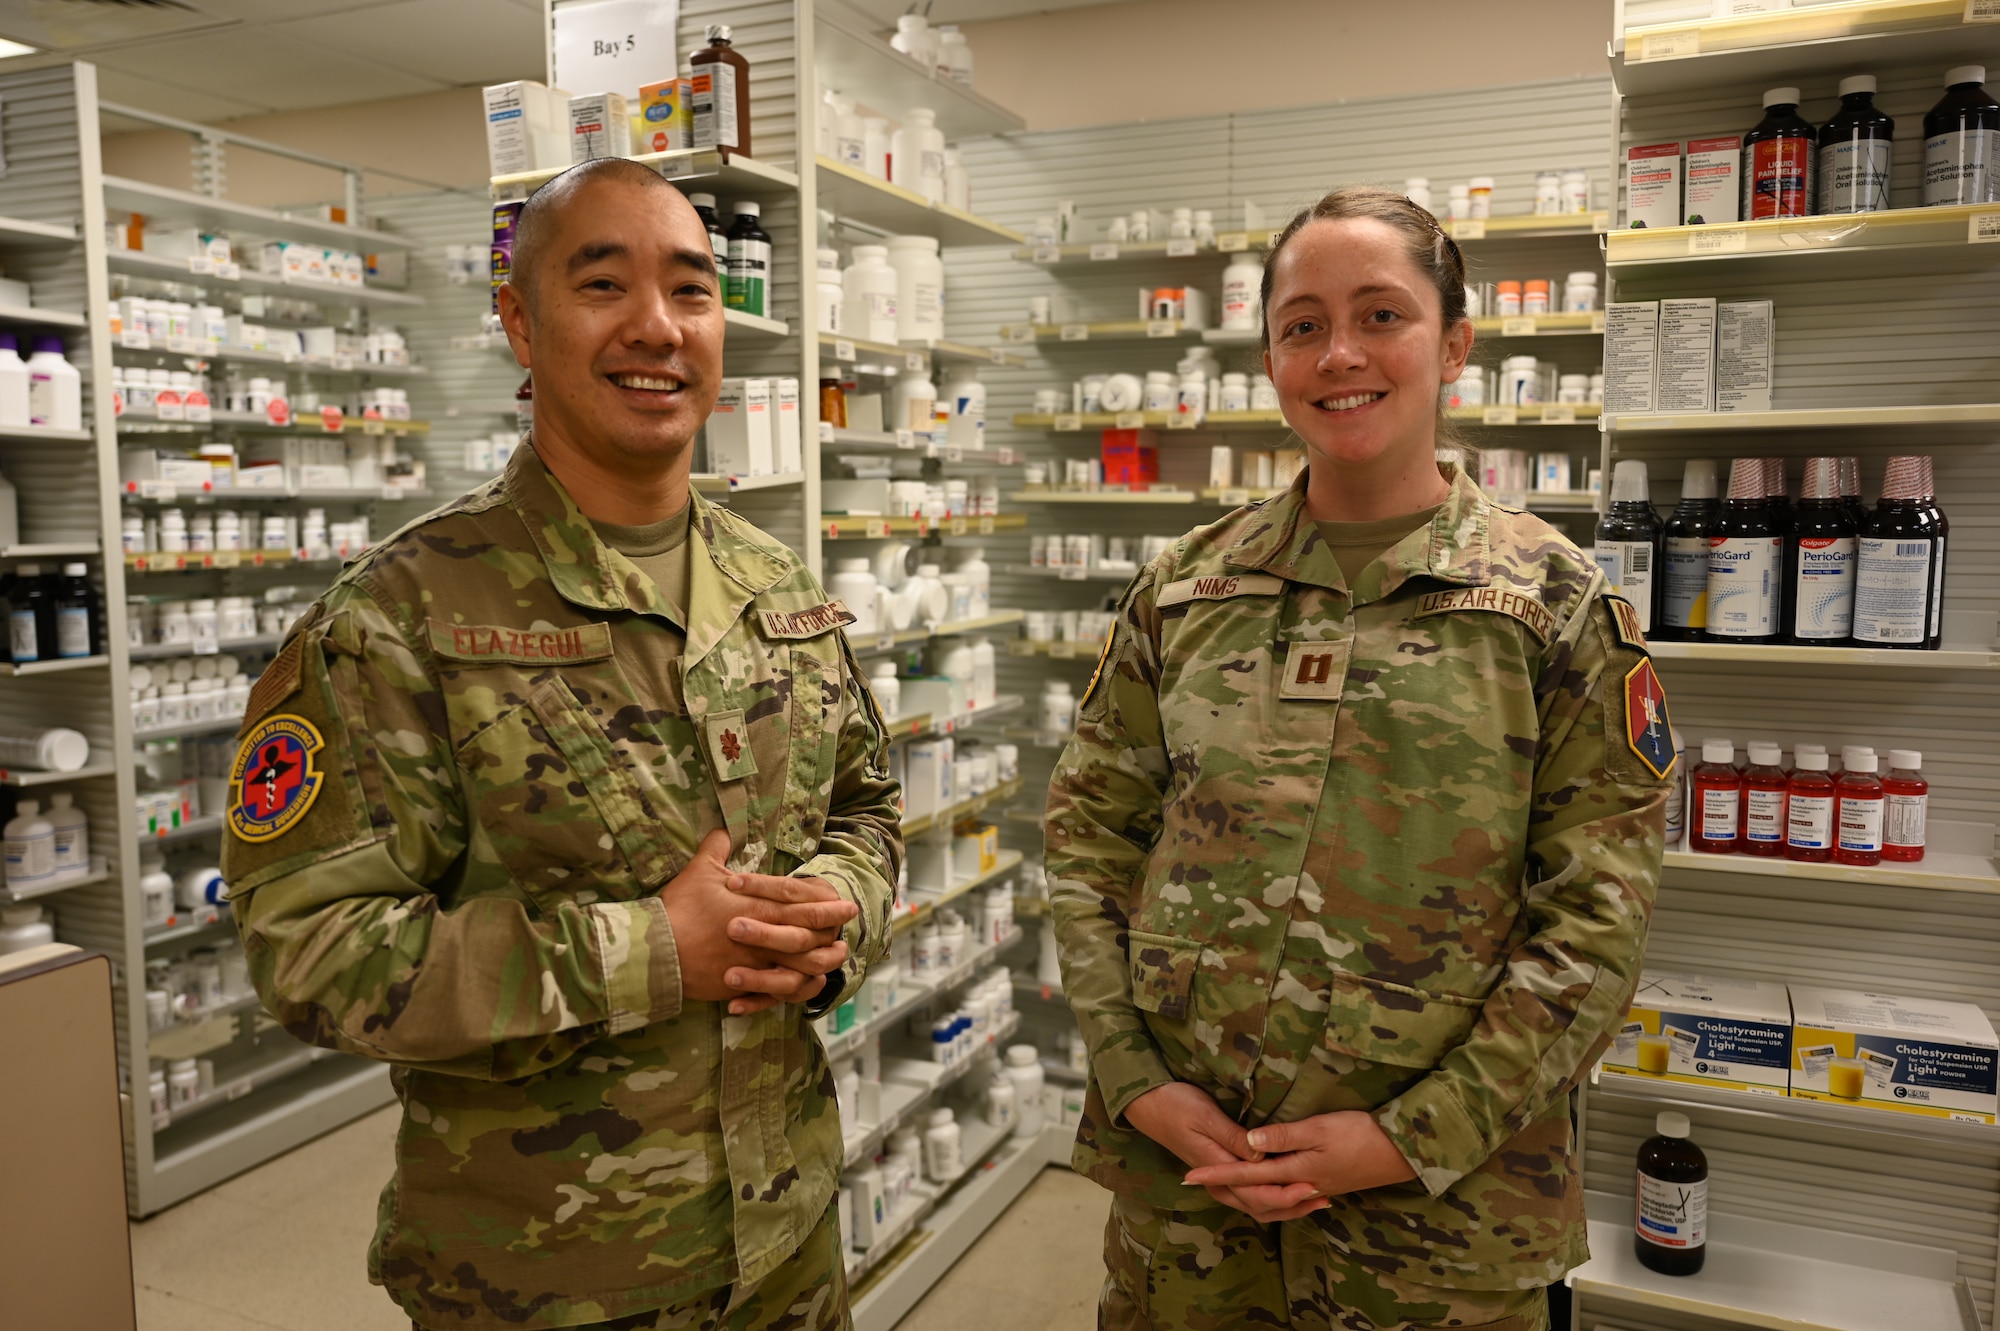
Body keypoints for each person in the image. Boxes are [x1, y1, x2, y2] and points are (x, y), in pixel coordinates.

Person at [221, 157, 902, 1331]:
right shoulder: (396, 614)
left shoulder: (771, 580)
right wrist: (651, 951)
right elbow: (311, 950)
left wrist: (835, 911)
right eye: (603, 285)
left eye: (691, 291)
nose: (656, 326)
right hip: (546, 1282)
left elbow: (868, 808)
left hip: (788, 1250)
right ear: (519, 321)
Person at [1044, 186, 1671, 1331]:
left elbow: (1595, 918)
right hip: (1192, 1211)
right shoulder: (1181, 589)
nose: (1339, 353)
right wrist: (1136, 1079)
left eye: (1380, 315)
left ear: (1455, 344)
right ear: (1269, 354)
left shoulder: (1555, 606)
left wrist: (1402, 1135)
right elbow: (1088, 840)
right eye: (1301, 324)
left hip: (1437, 1232)